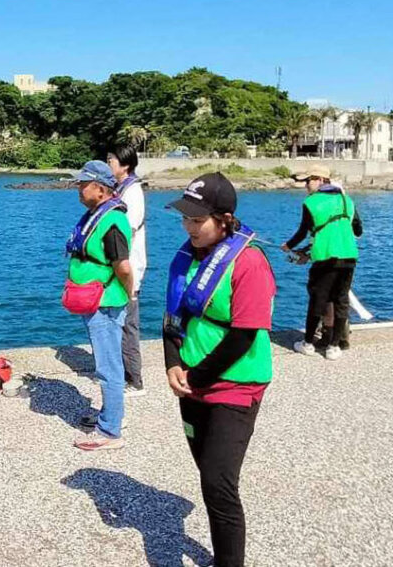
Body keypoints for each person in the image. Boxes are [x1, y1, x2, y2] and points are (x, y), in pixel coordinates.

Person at [163, 173, 275, 567]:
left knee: (218, 483)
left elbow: (243, 336)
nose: (189, 227)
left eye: (198, 220)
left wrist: (195, 377)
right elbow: (171, 318)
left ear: (225, 219)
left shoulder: (249, 263)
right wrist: (173, 363)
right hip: (191, 384)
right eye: (185, 219)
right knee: (207, 476)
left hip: (235, 385)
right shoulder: (184, 256)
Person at [62, 160, 133, 451]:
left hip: (105, 302)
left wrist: (127, 295)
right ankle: (110, 414)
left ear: (101, 189)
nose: (78, 188)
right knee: (106, 363)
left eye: (83, 183)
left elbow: (124, 267)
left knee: (108, 366)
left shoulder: (112, 222)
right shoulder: (96, 215)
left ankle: (110, 431)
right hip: (94, 301)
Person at [280, 166, 363, 361]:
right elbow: (358, 229)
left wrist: (288, 246)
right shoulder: (346, 200)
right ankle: (334, 347)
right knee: (341, 300)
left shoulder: (311, 202)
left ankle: (308, 343)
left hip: (325, 257)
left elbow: (303, 231)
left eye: (308, 181)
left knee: (318, 299)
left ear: (319, 179)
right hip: (349, 256)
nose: (306, 186)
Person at [107, 145, 147, 396]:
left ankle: (135, 380)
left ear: (126, 165)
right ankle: (122, 373)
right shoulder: (120, 189)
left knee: (128, 324)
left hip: (129, 265)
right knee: (119, 320)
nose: (109, 162)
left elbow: (127, 229)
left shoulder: (132, 191)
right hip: (120, 263)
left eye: (112, 159)